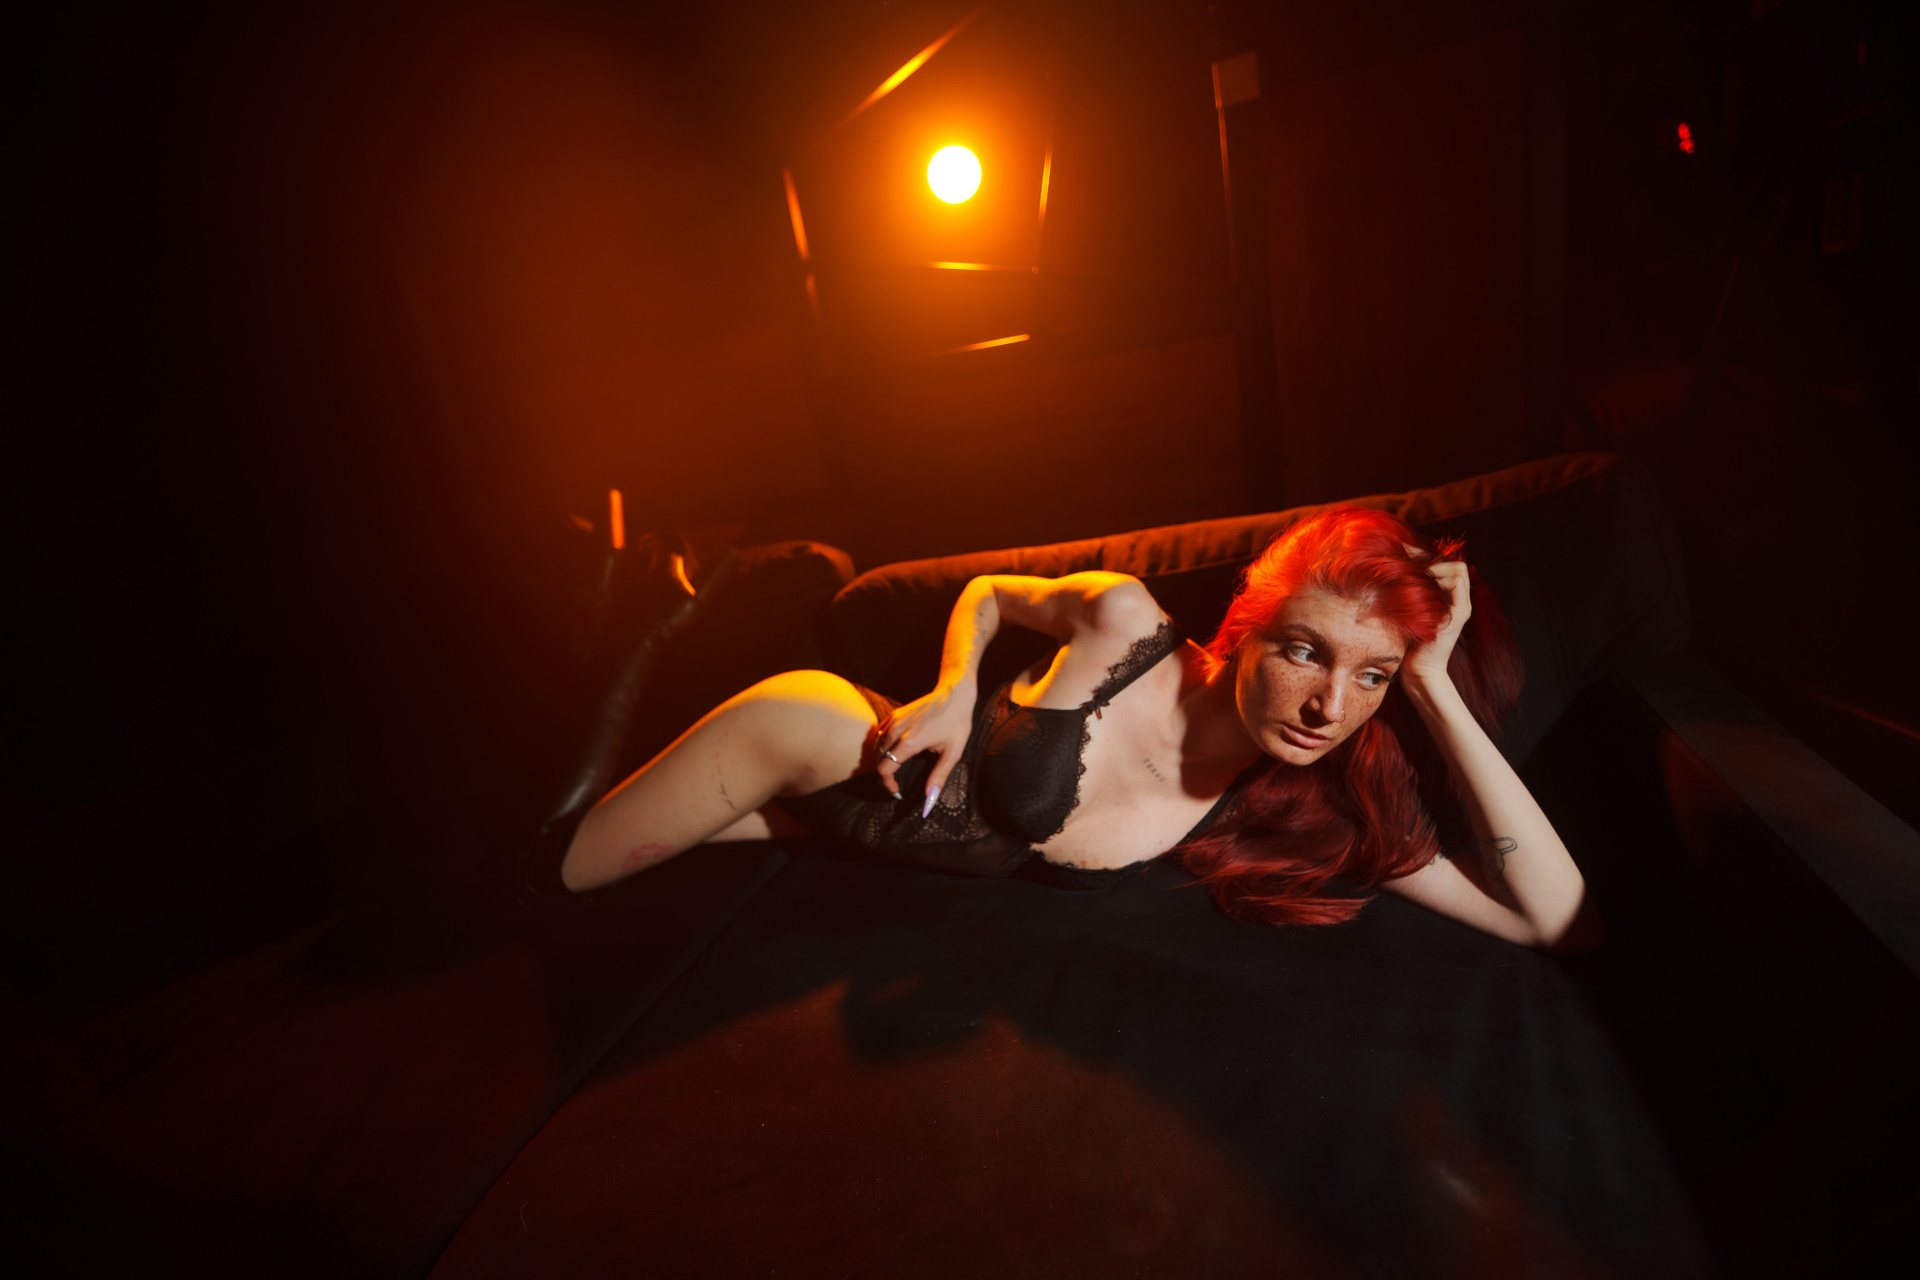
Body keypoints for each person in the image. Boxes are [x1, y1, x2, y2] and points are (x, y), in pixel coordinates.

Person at [552, 507, 1593, 948]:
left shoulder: (1308, 806)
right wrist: (954, 690)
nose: (1331, 705)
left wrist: (1434, 687)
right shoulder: (1125, 621)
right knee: (556, 869)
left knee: (563, 894)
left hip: (833, 827)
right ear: (1246, 626)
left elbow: (1547, 916)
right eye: (1305, 650)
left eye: (1372, 675)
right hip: (823, 739)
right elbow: (991, 595)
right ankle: (642, 606)